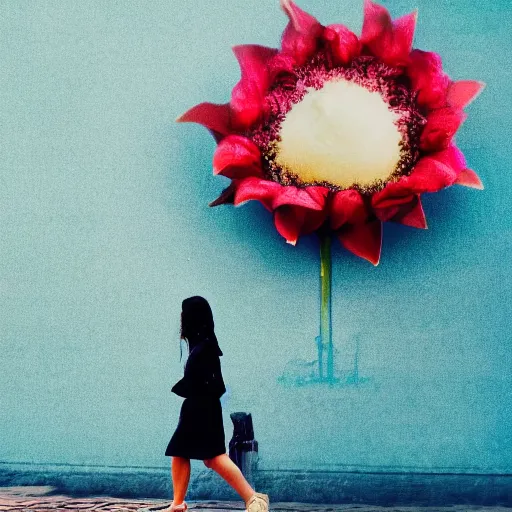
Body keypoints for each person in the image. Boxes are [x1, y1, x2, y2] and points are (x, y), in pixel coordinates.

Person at [164, 296, 270, 512]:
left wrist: (189, 389)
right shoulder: (203, 345)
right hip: (202, 407)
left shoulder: (204, 348)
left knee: (211, 457)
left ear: (192, 318)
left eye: (184, 315)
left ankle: (253, 499)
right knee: (187, 453)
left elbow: (211, 383)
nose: (181, 320)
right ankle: (177, 504)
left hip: (200, 408)